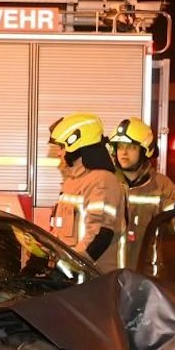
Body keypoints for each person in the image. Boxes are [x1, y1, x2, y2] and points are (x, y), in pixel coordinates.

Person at [47, 112, 128, 273]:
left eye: (62, 147)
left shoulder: (101, 180)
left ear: (77, 144)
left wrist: (67, 268)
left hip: (96, 280)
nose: (59, 153)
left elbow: (100, 235)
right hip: (77, 279)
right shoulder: (72, 181)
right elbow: (61, 232)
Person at [108, 118, 175, 272]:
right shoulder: (106, 183)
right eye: (120, 147)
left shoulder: (161, 186)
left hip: (145, 278)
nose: (123, 153)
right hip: (108, 277)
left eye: (131, 147)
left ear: (146, 151)